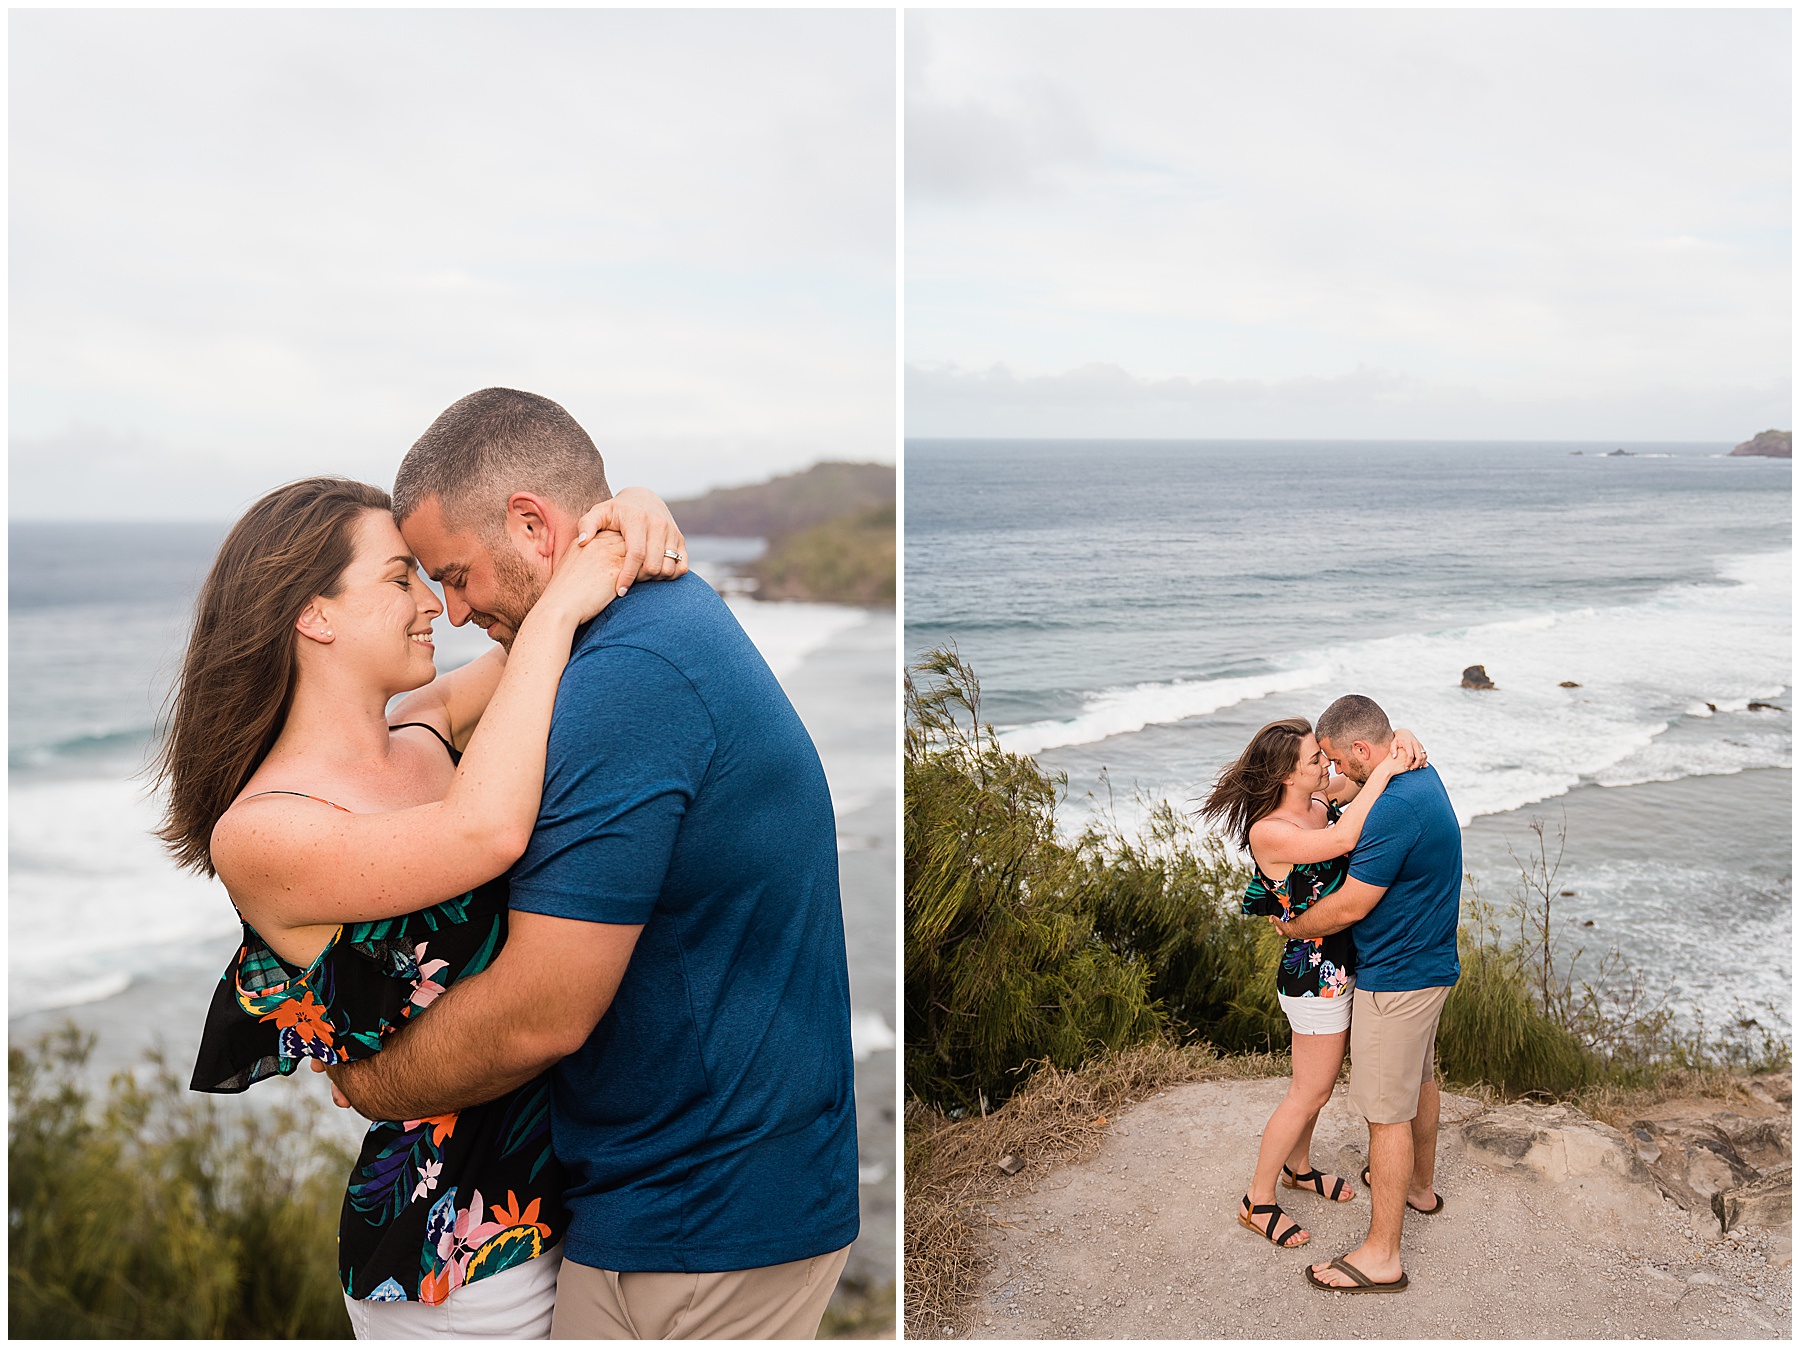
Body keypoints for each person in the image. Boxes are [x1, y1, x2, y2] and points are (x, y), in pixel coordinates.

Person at [324, 387, 861, 1341]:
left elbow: (544, 1007)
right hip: (692, 1196)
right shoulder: (615, 638)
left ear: (533, 526)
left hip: (703, 1219)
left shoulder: (625, 682)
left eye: (455, 574)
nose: (449, 610)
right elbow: (445, 714)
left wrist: (371, 1082)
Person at [170, 473, 687, 1337]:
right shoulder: (259, 834)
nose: (434, 607)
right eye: (401, 577)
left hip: (587, 1194)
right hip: (460, 1259)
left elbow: (530, 632)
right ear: (315, 614)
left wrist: (627, 511)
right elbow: (484, 833)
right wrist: (557, 616)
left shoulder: (424, 728)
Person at [1200, 716, 1425, 1250]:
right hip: (1312, 978)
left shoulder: (1317, 800)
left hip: (1343, 963)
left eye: (1324, 758)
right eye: (1313, 761)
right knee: (1310, 1091)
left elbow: (1363, 773)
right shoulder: (1271, 830)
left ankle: (1298, 1169)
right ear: (1286, 775)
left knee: (1315, 1089)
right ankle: (1258, 1199)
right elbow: (1347, 835)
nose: (1326, 765)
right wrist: (1390, 763)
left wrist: (1401, 741)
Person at [1273, 693, 1462, 1295]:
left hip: (1398, 978)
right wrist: (1401, 737)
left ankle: (1383, 1254)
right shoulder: (1416, 772)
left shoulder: (1393, 809)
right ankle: (1417, 1188)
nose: (1329, 772)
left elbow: (1351, 905)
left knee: (1385, 1116)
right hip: (1430, 965)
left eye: (1332, 760)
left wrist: (1293, 927)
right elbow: (1363, 788)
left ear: (1362, 751)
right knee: (1420, 1083)